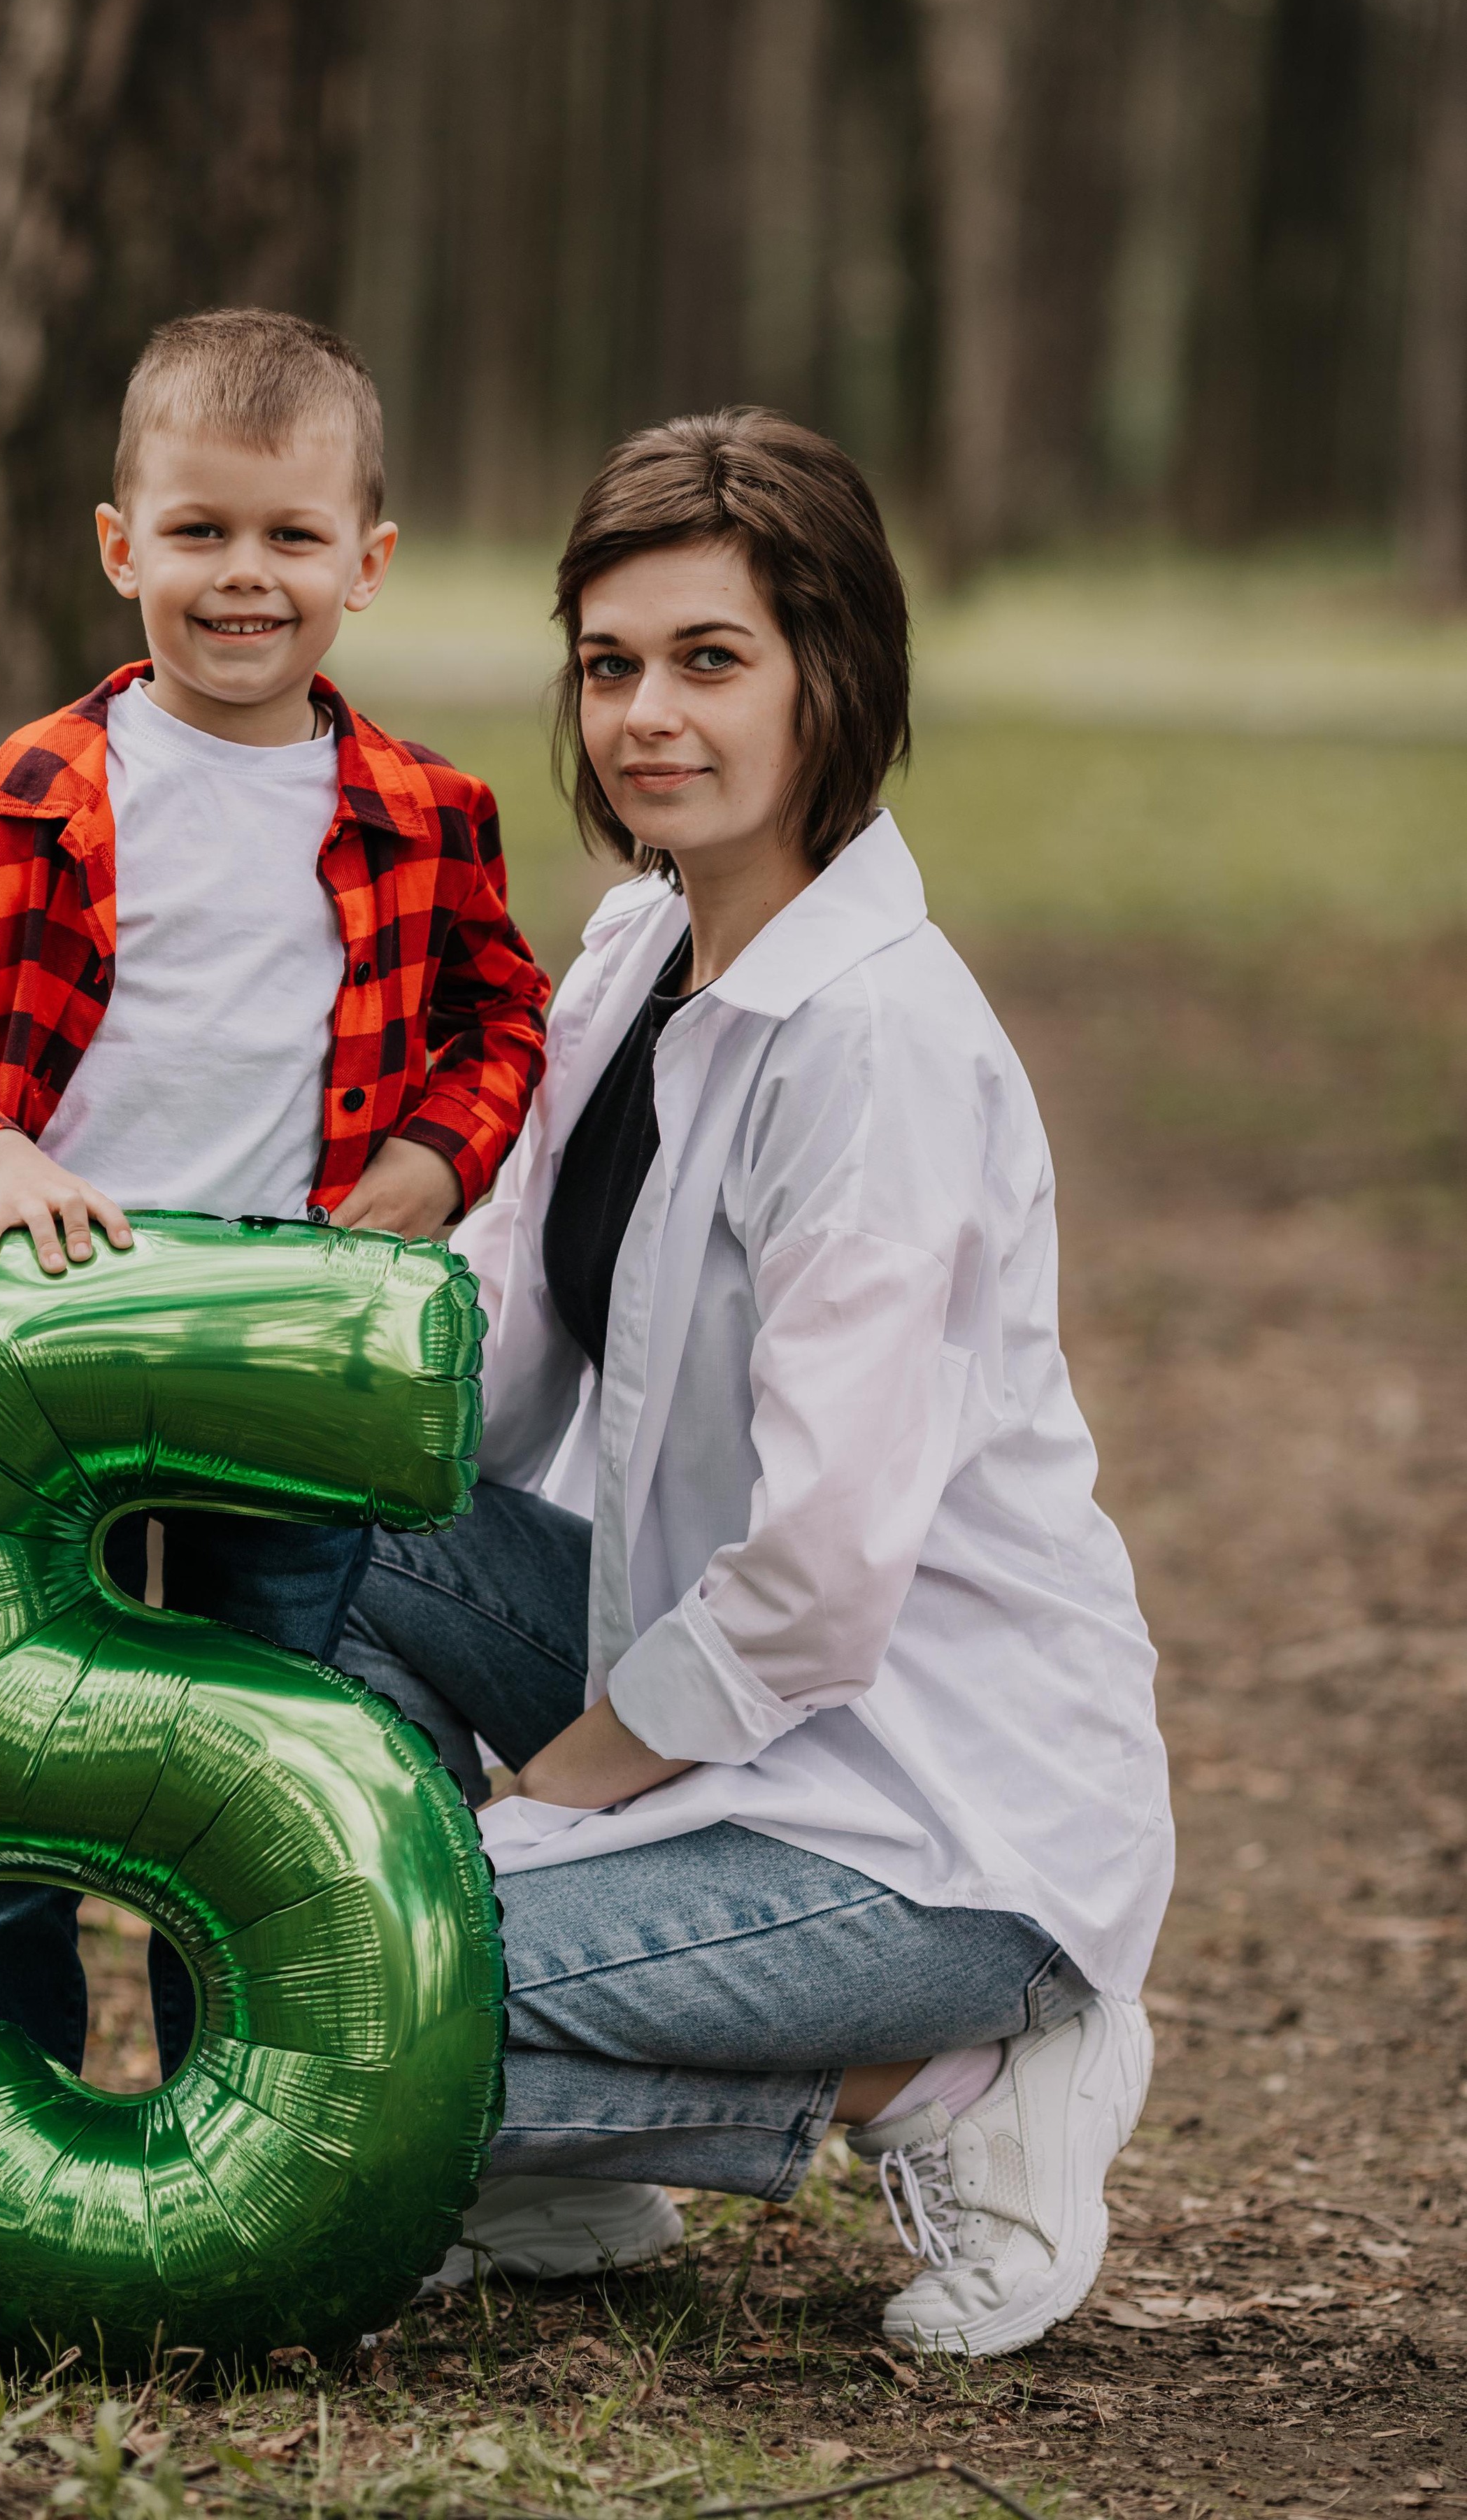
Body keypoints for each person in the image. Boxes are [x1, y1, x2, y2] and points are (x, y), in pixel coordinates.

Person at [338, 408, 1172, 2358]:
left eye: (710, 662)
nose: (646, 714)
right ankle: (572, 2161)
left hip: (931, 1812)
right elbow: (499, 1357)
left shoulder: (876, 1052)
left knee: (350, 2017)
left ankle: (951, 2079)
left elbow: (816, 1583)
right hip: (700, 1682)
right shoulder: (643, 943)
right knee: (341, 1544)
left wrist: (539, 1804)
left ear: (834, 681)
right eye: (610, 663)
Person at [0, 306, 550, 2082]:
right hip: (34, 1366)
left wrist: (433, 1160)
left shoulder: (423, 813)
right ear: (118, 543)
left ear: (364, 564)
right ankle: (15, 2103)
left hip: (275, 1355)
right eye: (200, 531)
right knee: (22, 1757)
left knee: (247, 1748)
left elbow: (501, 1014)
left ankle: (228, 2122)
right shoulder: (19, 798)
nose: (244, 578)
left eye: (291, 538)